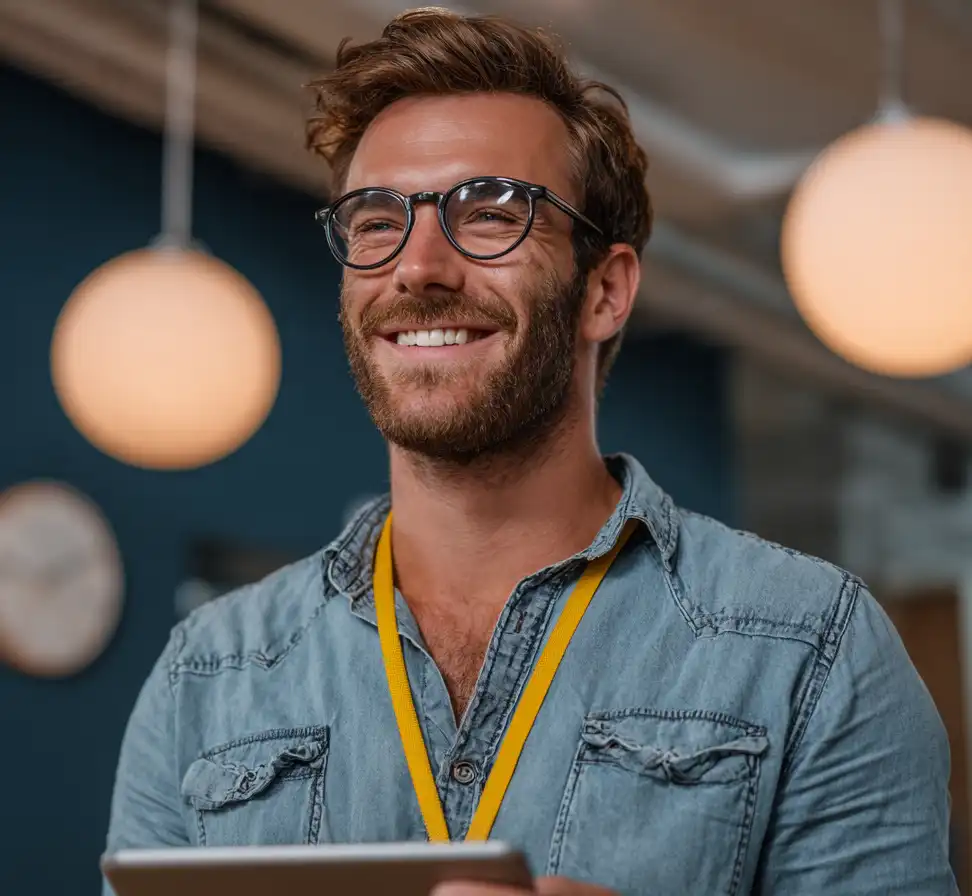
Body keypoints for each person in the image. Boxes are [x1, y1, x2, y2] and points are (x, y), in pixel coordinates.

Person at [103, 7, 956, 895]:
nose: (418, 266)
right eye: (374, 221)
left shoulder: (811, 648)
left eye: (491, 214)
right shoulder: (207, 674)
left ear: (607, 291)